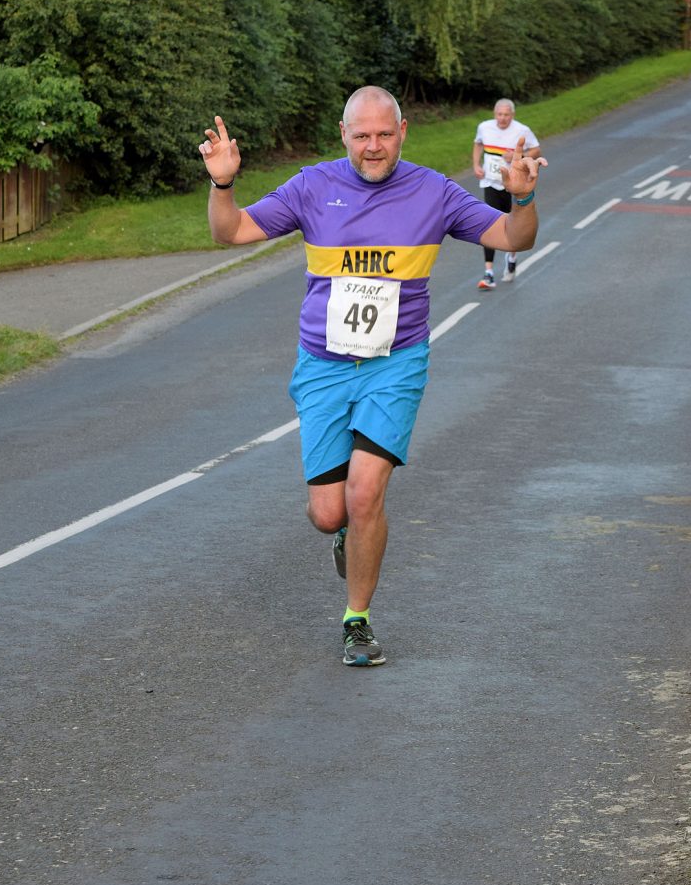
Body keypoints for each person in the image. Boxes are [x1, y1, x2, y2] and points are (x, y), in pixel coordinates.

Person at [199, 87, 546, 666]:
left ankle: (356, 619)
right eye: (361, 135)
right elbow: (229, 232)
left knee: (365, 494)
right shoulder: (313, 186)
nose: (373, 146)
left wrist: (524, 198)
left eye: (384, 134)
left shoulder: (433, 191)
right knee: (329, 512)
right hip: (324, 366)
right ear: (344, 136)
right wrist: (223, 184)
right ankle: (345, 534)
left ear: (403, 131)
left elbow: (513, 238)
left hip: (396, 362)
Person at [473, 98, 541, 289]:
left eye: (506, 115)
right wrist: (476, 164)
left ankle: (511, 255)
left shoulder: (522, 130)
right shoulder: (484, 127)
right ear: (495, 114)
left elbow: (536, 149)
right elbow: (478, 144)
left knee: (511, 222)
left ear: (513, 115)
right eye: (499, 114)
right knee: (489, 224)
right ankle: (489, 273)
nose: (502, 118)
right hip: (491, 182)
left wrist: (518, 157)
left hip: (514, 186)